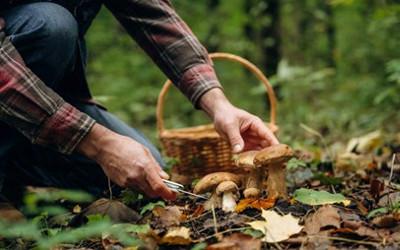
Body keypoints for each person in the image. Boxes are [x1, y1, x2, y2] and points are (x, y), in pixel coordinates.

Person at [0, 0, 279, 203]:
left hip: (47, 109)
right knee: (51, 26)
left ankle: (15, 171)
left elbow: (154, 17)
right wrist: (100, 144)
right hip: (15, 78)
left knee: (150, 174)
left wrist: (218, 104)